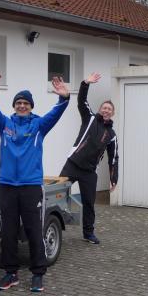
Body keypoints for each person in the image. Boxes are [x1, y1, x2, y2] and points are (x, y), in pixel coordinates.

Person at [0, 71, 70, 292]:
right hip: (8, 187)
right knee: (8, 233)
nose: (22, 106)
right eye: (19, 103)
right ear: (14, 106)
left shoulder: (39, 125)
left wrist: (64, 98)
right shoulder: (4, 124)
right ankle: (10, 274)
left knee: (34, 231)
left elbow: (55, 113)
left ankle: (38, 273)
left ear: (31, 107)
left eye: (26, 103)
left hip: (31, 187)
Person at [59, 72, 118, 245]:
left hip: (89, 172)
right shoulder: (89, 118)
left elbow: (113, 158)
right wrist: (86, 83)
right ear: (100, 110)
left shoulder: (112, 135)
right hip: (73, 164)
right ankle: (49, 223)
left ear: (112, 113)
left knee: (89, 204)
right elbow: (81, 100)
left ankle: (88, 233)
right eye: (104, 107)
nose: (106, 110)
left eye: (109, 109)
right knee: (57, 194)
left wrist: (113, 178)